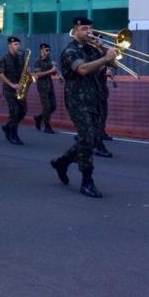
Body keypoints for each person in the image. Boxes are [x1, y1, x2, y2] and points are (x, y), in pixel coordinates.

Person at [50, 17, 118, 198]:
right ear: (76, 30)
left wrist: (104, 50)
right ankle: (87, 180)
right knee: (87, 139)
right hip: (78, 101)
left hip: (94, 98)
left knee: (89, 138)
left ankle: (62, 162)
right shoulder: (70, 50)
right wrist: (104, 58)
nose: (89, 32)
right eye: (84, 29)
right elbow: (82, 70)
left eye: (90, 28)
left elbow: (113, 63)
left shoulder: (93, 49)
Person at [0, 36, 27, 145]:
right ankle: (13, 135)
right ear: (9, 45)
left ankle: (7, 126)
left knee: (23, 111)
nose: (18, 46)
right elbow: (0, 74)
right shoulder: (3, 58)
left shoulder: (20, 58)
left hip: (20, 88)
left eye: (18, 44)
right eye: (15, 44)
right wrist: (12, 85)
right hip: (9, 89)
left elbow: (24, 72)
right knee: (14, 112)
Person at [32, 43, 58, 133]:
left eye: (49, 50)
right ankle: (47, 126)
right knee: (46, 107)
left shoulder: (49, 60)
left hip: (50, 85)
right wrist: (50, 71)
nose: (48, 52)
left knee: (53, 106)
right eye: (47, 50)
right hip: (42, 86)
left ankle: (39, 118)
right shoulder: (38, 61)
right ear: (41, 50)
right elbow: (37, 75)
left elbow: (53, 73)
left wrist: (55, 69)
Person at [92, 67, 114, 158]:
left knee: (104, 114)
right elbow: (90, 72)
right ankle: (98, 146)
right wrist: (103, 68)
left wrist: (109, 69)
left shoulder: (104, 59)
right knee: (97, 116)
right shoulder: (94, 57)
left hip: (103, 91)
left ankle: (101, 132)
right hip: (94, 92)